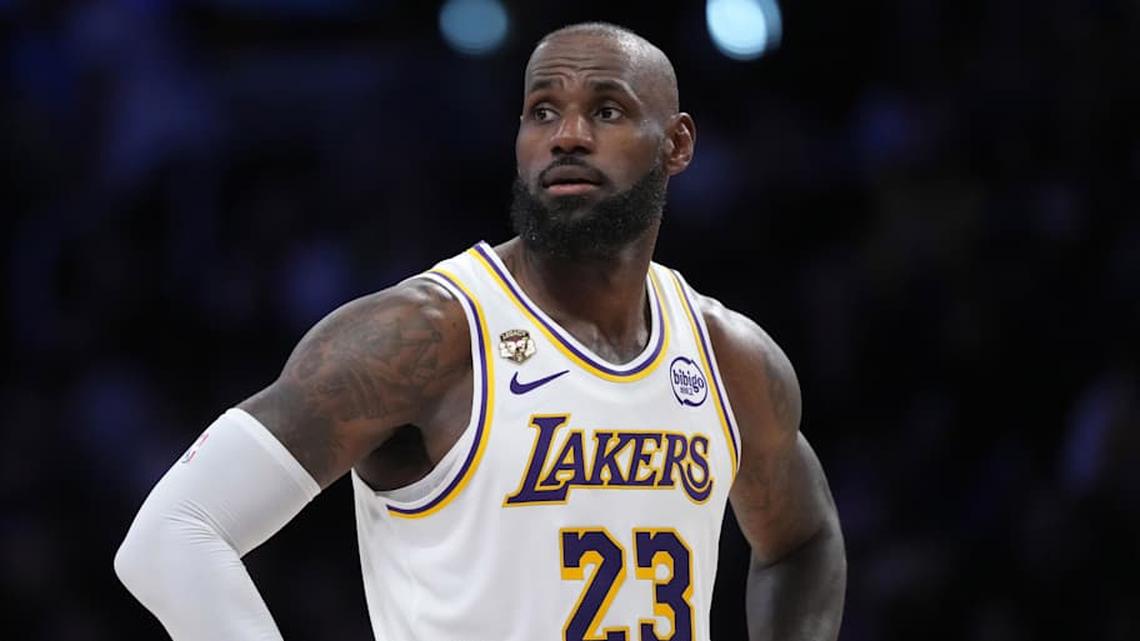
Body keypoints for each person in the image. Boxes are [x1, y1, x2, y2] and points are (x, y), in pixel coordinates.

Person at [115, 21, 846, 641]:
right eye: (542, 111)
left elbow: (803, 541)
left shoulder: (728, 356)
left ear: (677, 144)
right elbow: (172, 534)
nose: (567, 135)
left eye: (608, 111)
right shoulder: (424, 336)